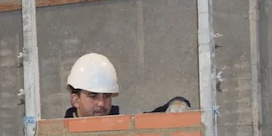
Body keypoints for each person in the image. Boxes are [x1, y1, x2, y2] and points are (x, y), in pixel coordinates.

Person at [63, 52, 191, 118]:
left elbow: (153, 117)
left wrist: (177, 103)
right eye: (93, 96)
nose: (101, 103)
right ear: (76, 100)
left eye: (107, 96)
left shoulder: (123, 128)